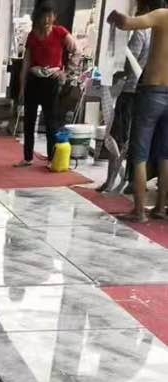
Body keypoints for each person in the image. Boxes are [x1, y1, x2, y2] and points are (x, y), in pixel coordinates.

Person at [109, 1, 168, 219]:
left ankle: (139, 210)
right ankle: (160, 208)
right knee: (165, 155)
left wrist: (115, 16)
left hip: (152, 92)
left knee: (140, 153)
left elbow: (128, 23)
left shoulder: (162, 15)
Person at [16, 0, 78, 166]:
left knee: (51, 121)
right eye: (44, 16)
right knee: (29, 121)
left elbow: (76, 51)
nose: (47, 20)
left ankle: (52, 158)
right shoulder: (32, 36)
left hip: (51, 81)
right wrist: (22, 88)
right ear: (37, 17)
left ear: (54, 17)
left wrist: (65, 72)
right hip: (34, 80)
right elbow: (26, 63)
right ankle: (27, 157)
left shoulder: (60, 33)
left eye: (50, 16)